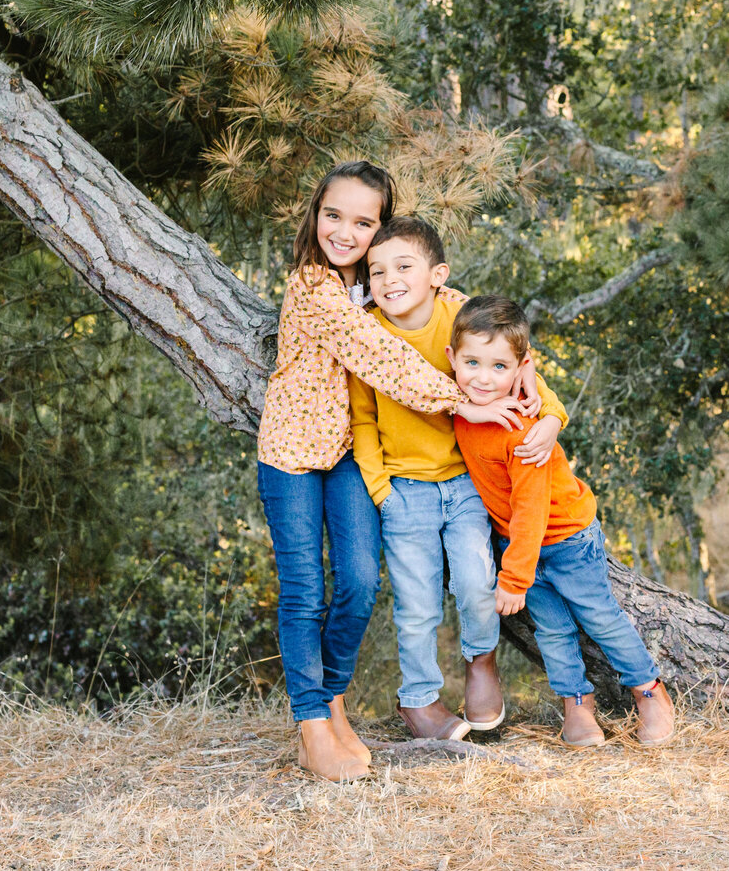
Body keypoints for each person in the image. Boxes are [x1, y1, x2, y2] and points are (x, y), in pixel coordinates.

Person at [256, 162, 529, 782]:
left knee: (356, 581)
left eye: (362, 222)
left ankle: (332, 702)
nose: (344, 232)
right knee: (305, 593)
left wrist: (523, 366)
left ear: (381, 228)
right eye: (333, 215)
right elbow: (376, 355)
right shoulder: (313, 285)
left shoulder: (384, 283)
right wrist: (471, 399)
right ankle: (310, 725)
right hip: (293, 455)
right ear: (315, 215)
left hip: (351, 454)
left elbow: (460, 308)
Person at [349, 217, 567, 741]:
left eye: (404, 266)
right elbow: (362, 419)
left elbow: (518, 369)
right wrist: (381, 492)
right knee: (417, 602)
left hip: (466, 484)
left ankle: (482, 664)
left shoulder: (455, 316)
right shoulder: (365, 333)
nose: (389, 279)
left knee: (475, 582)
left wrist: (553, 417)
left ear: (437, 275)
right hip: (404, 491)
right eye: (376, 270)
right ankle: (419, 699)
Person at [448, 295, 677, 749]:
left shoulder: (523, 426)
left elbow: (532, 511)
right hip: (522, 546)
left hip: (566, 538)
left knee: (600, 619)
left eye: (499, 367)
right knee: (552, 631)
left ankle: (649, 691)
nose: (482, 378)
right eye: (472, 362)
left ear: (520, 369)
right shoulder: (460, 402)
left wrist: (514, 579)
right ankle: (578, 703)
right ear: (452, 358)